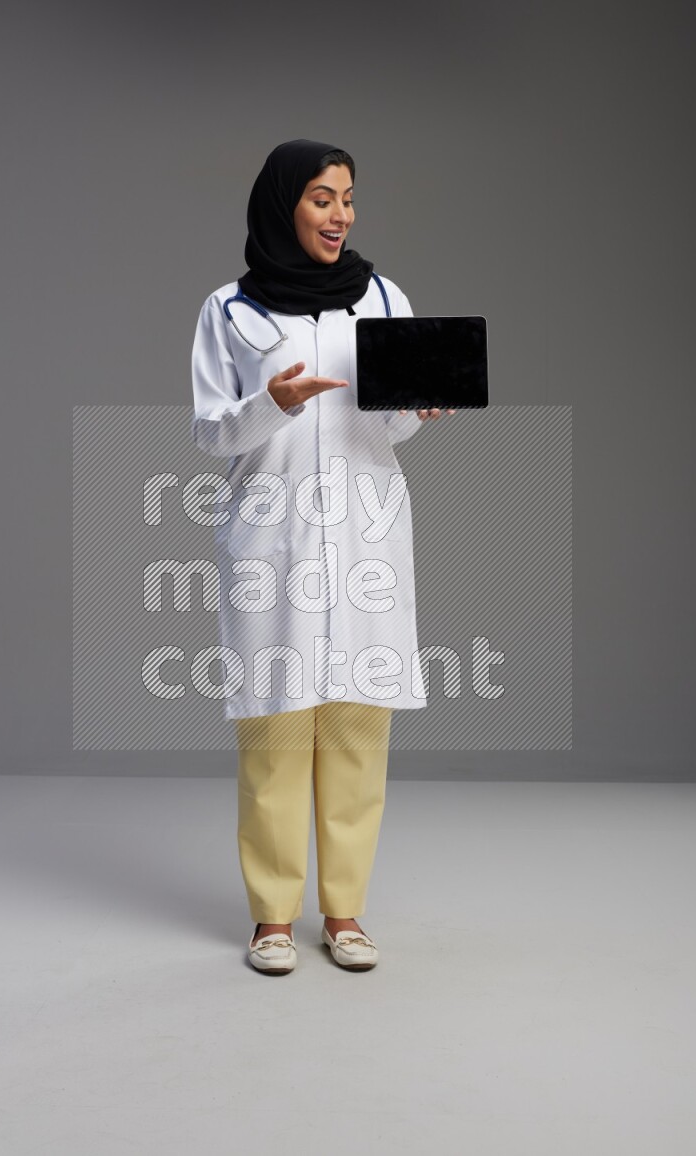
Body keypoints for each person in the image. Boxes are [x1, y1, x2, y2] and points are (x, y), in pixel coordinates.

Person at [190, 139, 455, 975]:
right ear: (282, 205)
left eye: (348, 198)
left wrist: (417, 407)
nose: (340, 214)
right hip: (273, 538)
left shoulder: (382, 295)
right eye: (321, 198)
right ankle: (273, 917)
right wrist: (271, 401)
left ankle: (343, 913)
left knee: (353, 727)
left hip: (367, 535)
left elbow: (389, 425)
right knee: (274, 727)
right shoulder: (230, 311)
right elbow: (208, 431)